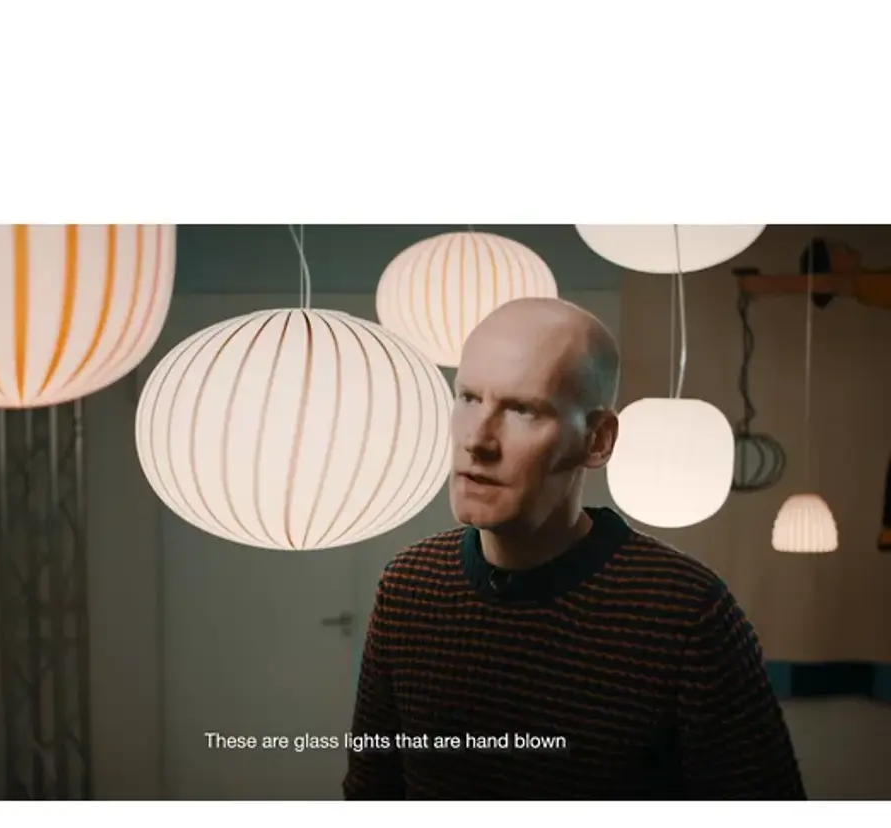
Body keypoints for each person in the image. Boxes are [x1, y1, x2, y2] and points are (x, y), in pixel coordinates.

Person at [343, 296, 806, 800]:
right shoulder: (409, 585)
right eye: (469, 398)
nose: (477, 440)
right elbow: (371, 792)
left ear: (598, 440)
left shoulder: (686, 613)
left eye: (522, 409)